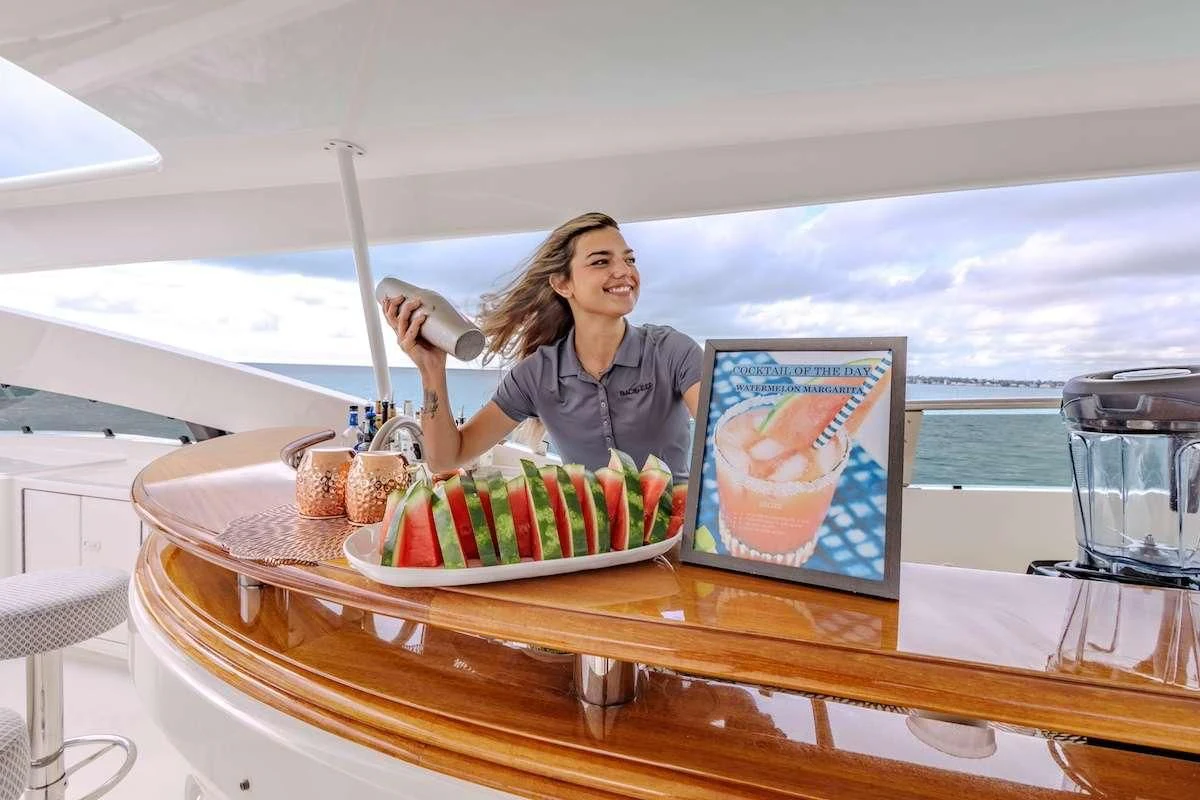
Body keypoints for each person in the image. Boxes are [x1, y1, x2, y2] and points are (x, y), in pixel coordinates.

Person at [380, 212, 703, 479]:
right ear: (562, 284)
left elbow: (723, 438)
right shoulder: (537, 375)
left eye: (629, 259)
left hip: (674, 541)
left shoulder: (673, 352)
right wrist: (431, 369)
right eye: (601, 262)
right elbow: (447, 458)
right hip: (588, 548)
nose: (624, 271)